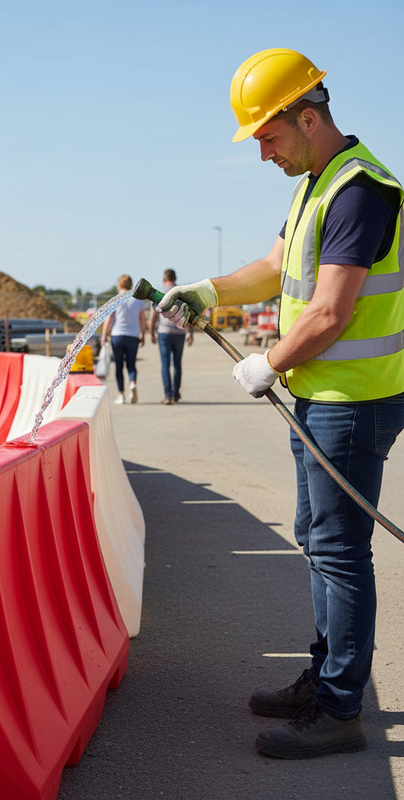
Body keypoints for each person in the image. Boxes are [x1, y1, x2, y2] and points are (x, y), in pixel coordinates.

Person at [157, 48, 404, 759]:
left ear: (307, 116)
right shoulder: (316, 185)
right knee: (321, 545)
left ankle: (339, 708)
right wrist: (206, 290)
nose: (262, 153)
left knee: (340, 553)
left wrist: (269, 361)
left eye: (267, 137)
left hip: (350, 404)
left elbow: (330, 311)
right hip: (322, 399)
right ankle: (327, 680)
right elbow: (273, 269)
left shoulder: (359, 190)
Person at [149, 269, 194, 404]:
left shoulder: (160, 293)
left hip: (164, 333)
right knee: (177, 364)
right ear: (175, 278)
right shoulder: (181, 293)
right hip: (180, 333)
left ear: (164, 279)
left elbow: (153, 315)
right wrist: (190, 334)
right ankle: (176, 394)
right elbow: (189, 313)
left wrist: (151, 331)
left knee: (165, 364)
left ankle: (168, 396)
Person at [100, 274, 146, 404]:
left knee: (119, 366)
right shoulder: (138, 300)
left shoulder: (116, 299)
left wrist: (104, 335)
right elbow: (142, 319)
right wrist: (143, 335)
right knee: (131, 364)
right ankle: (132, 382)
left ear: (119, 285)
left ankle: (121, 394)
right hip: (133, 336)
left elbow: (109, 319)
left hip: (117, 335)